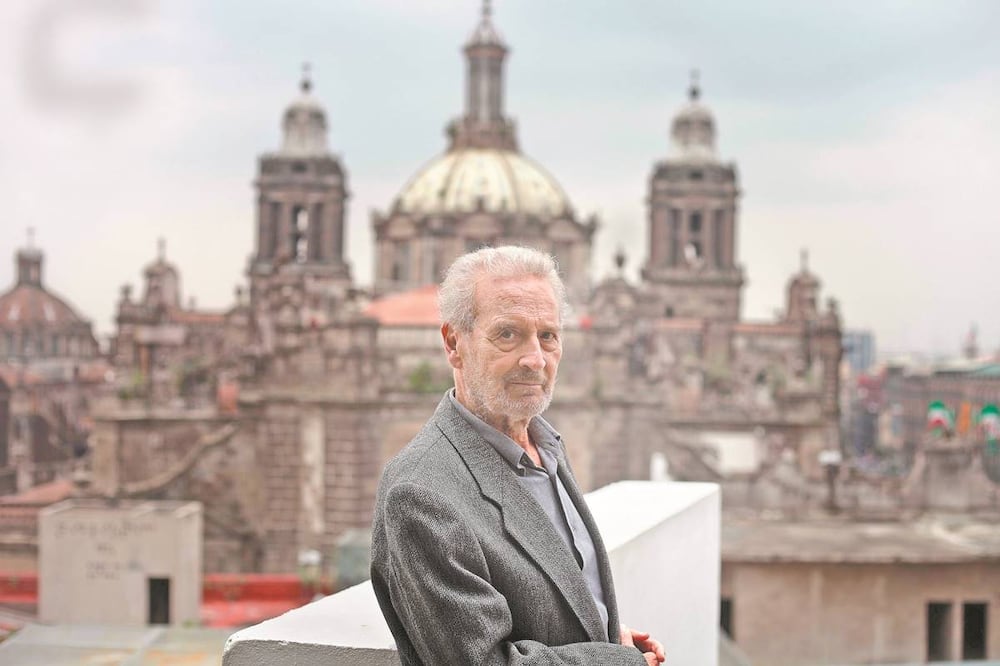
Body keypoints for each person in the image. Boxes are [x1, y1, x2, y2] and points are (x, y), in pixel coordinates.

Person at [371, 246, 666, 665]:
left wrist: (601, 633)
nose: (535, 360)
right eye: (508, 334)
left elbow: (550, 589)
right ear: (455, 342)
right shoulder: (420, 493)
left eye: (548, 335)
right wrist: (614, 662)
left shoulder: (547, 448)